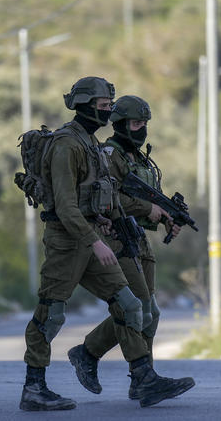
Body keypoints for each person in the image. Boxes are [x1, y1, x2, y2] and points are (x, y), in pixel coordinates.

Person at [20, 77, 191, 411]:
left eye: (110, 106)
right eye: (103, 105)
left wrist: (112, 222)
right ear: (83, 105)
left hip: (94, 237)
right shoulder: (67, 145)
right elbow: (67, 207)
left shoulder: (89, 143)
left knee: (130, 306)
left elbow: (103, 197)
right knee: (50, 314)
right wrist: (94, 242)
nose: (108, 111)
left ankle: (143, 377)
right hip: (67, 242)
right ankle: (33, 387)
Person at [67, 95, 194, 400]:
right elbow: (107, 197)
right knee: (139, 307)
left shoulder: (138, 158)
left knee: (151, 313)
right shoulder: (108, 154)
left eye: (145, 124)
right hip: (114, 236)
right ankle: (93, 354)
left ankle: (143, 379)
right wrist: (147, 209)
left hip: (137, 237)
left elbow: (147, 199)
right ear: (121, 124)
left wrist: (165, 216)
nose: (141, 130)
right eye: (136, 124)